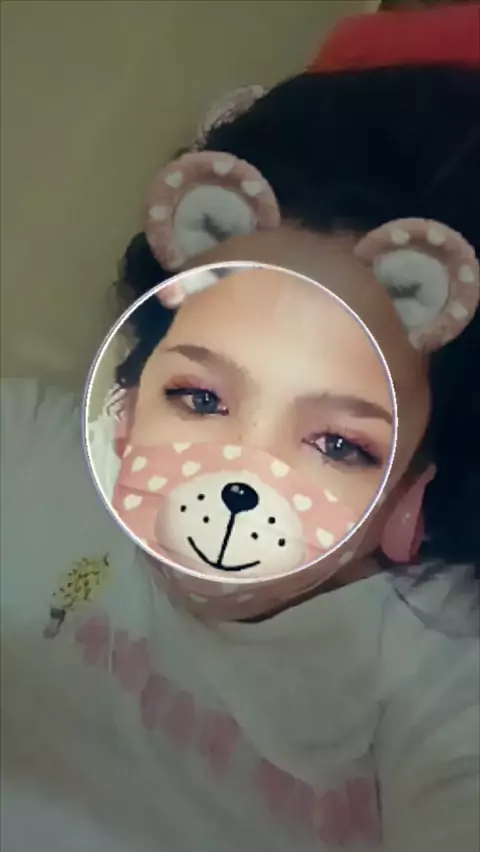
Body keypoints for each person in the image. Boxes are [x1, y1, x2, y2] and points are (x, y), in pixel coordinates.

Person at [2, 4, 479, 851]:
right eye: (201, 398)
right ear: (136, 377)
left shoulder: (439, 673)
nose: (235, 475)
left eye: (337, 444)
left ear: (413, 490)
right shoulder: (33, 458)